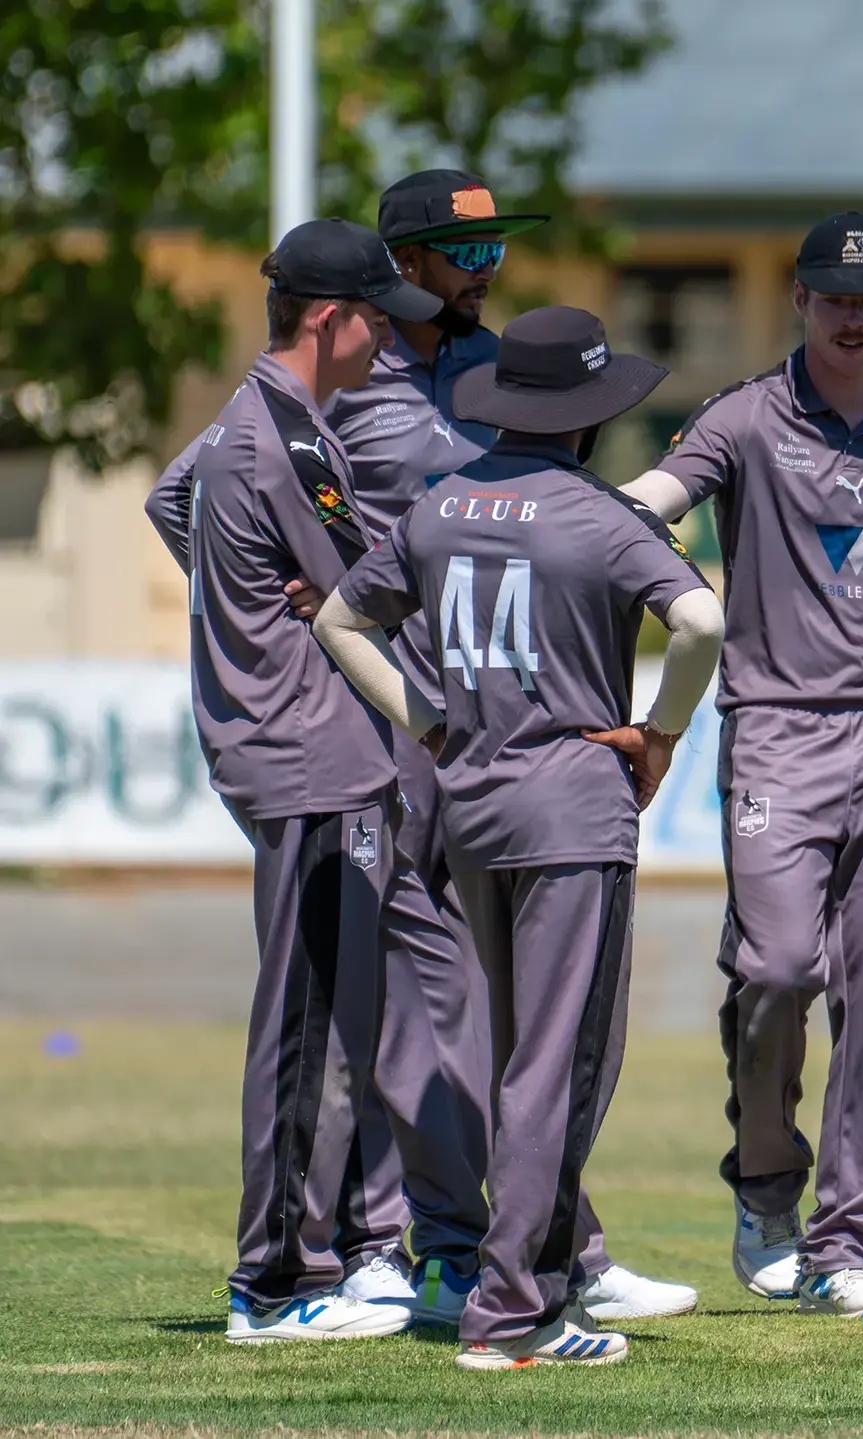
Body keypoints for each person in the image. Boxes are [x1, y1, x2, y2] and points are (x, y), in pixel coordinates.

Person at [618, 211, 863, 1319]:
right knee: (779, 968)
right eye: (832, 295)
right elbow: (657, 500)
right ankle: (766, 1185)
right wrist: (608, 521)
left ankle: (852, 1243)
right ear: (801, 300)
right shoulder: (744, 415)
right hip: (778, 728)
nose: (852, 313)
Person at [315, 306, 725, 1368]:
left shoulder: (441, 504)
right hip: (572, 804)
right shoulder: (597, 516)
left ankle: (517, 1283)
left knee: (510, 1053)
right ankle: (517, 1306)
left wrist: (427, 719)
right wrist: (660, 735)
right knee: (564, 1059)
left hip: (469, 800)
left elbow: (338, 621)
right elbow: (703, 622)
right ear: (587, 418)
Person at [141, 218, 444, 1343]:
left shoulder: (239, 418)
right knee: (306, 1025)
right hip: (313, 756)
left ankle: (320, 1257)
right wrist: (296, 608)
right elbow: (376, 587)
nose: (389, 344)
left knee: (323, 1015)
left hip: (285, 748)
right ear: (330, 319)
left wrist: (249, 604)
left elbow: (171, 506)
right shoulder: (298, 443)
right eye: (378, 321)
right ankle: (273, 1281)